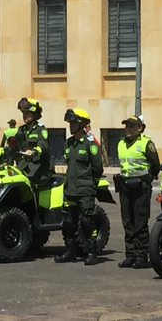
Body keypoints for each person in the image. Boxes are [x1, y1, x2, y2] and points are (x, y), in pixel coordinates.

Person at [55, 109, 104, 266]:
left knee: (86, 220)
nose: (71, 125)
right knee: (68, 221)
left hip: (85, 189)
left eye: (74, 123)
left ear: (83, 124)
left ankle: (91, 252)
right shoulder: (68, 143)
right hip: (70, 189)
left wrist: (91, 184)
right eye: (70, 123)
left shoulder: (91, 145)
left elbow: (98, 168)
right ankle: (70, 251)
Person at [114, 115, 160, 269]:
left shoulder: (147, 143)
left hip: (141, 188)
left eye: (131, 126)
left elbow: (155, 164)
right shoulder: (121, 143)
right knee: (128, 222)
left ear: (139, 128)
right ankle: (130, 255)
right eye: (126, 126)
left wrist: (148, 178)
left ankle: (142, 256)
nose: (128, 129)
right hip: (125, 187)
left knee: (140, 222)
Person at [13, 98, 54, 188]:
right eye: (23, 113)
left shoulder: (41, 129)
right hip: (24, 166)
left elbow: (43, 144)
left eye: (27, 113)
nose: (24, 116)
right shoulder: (21, 129)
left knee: (30, 185)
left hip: (40, 169)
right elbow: (14, 145)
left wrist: (35, 151)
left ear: (35, 114)